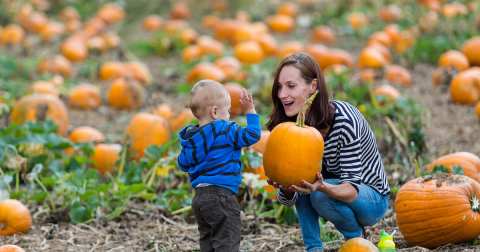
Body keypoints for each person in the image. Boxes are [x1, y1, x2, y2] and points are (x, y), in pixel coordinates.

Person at [266, 53, 390, 252]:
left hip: (370, 197)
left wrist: (321, 187)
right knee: (304, 184)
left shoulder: (344, 121)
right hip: (329, 190)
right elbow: (287, 200)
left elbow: (350, 190)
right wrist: (287, 186)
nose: (282, 94)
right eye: (279, 87)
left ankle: (357, 242)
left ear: (313, 86)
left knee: (318, 194)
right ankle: (313, 248)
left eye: (291, 86)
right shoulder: (291, 127)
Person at [177, 79, 261, 252]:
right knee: (227, 240)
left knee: (208, 241)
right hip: (221, 196)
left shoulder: (192, 139)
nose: (229, 115)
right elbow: (252, 135)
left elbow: (182, 163)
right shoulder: (225, 129)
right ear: (215, 112)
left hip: (200, 198)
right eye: (228, 111)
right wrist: (250, 111)